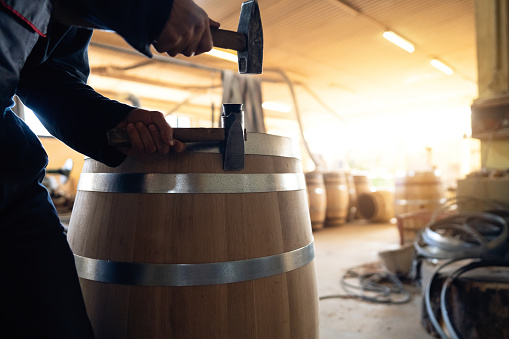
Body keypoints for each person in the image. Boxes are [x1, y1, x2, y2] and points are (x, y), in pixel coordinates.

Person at [0, 0, 219, 337]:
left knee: (60, 322)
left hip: (8, 174)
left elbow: (46, 75)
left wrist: (115, 120)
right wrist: (150, 9)